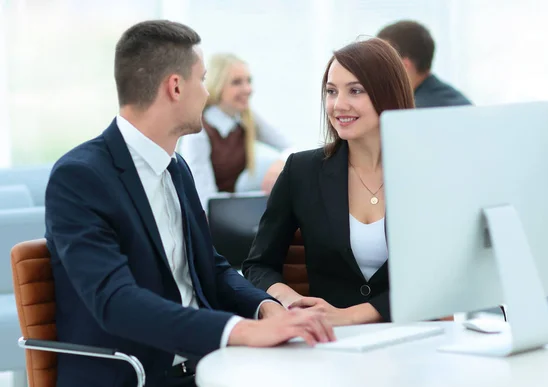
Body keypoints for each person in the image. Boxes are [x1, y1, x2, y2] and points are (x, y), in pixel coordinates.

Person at [45, 20, 333, 387]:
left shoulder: (176, 166)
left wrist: (266, 308)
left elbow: (209, 267)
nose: (206, 93)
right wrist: (239, 330)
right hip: (136, 376)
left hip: (209, 368)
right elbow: (115, 301)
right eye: (202, 79)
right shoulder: (80, 177)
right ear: (176, 87)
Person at [242, 38, 414, 326]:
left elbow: (439, 274)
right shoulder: (302, 170)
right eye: (331, 92)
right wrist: (291, 301)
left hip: (414, 337)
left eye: (355, 91)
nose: (338, 105)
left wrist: (354, 315)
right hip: (330, 344)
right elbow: (258, 265)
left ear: (389, 94)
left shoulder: (426, 173)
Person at [178, 53, 293, 208]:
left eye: (249, 81)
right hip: (206, 218)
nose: (248, 89)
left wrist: (282, 163)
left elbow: (291, 147)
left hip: (227, 213)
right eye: (237, 82)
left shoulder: (246, 118)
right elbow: (204, 199)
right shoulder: (199, 131)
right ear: (217, 86)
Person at [377, 20, 472, 108]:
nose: (376, 71)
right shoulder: (460, 102)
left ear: (403, 67)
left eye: (381, 63)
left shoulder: (410, 114)